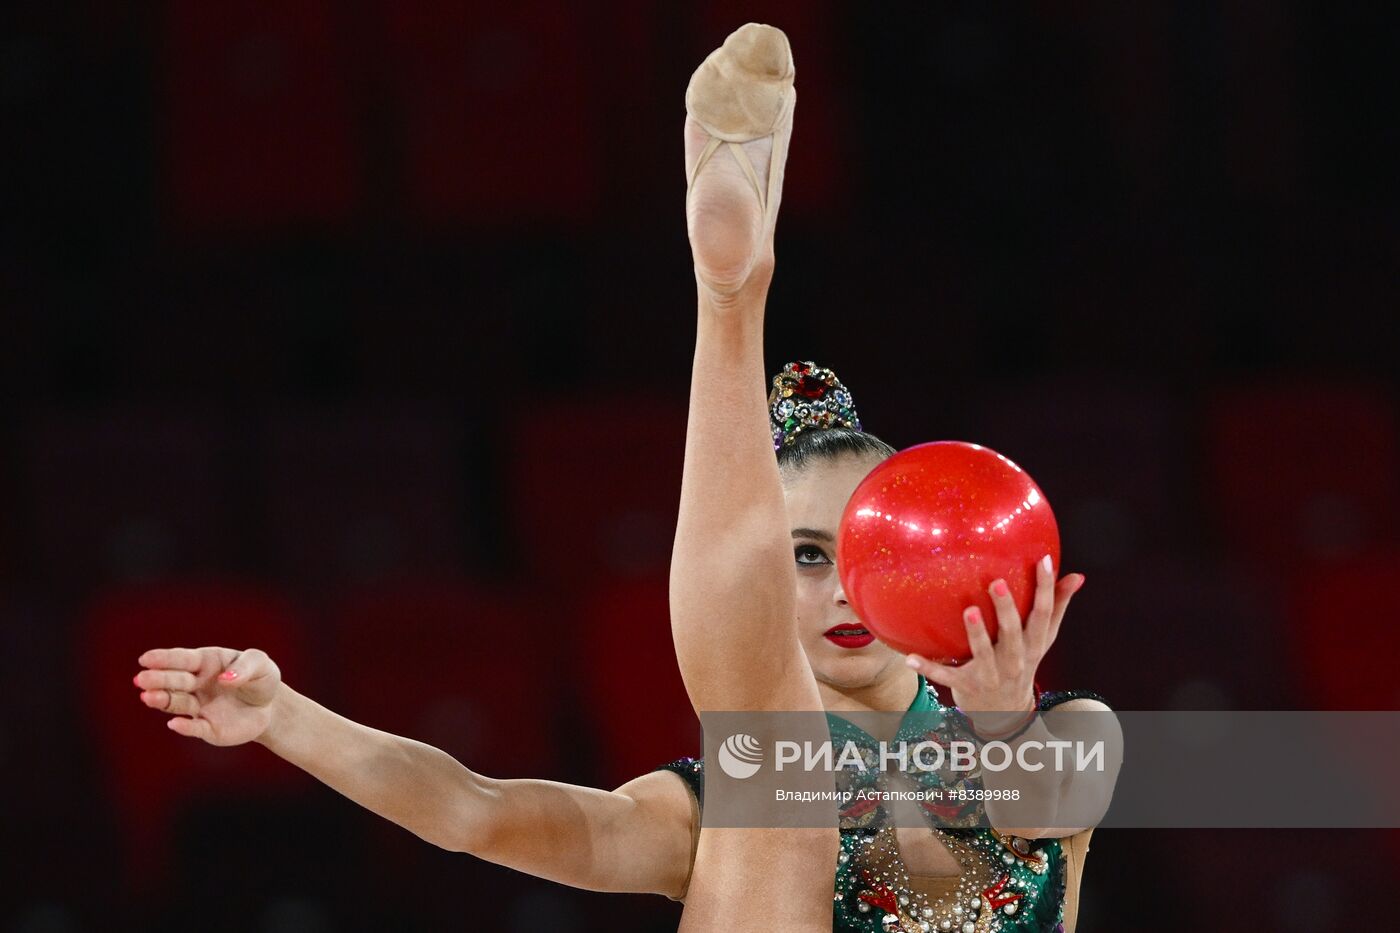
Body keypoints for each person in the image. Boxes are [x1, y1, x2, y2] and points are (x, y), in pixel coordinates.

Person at [132, 23, 1119, 931]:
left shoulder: (1065, 733)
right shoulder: (706, 811)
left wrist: (997, 723)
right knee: (768, 787)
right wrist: (281, 717)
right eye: (800, 559)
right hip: (760, 816)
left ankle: (728, 305)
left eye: (862, 551)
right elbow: (476, 812)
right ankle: (727, 300)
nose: (835, 591)